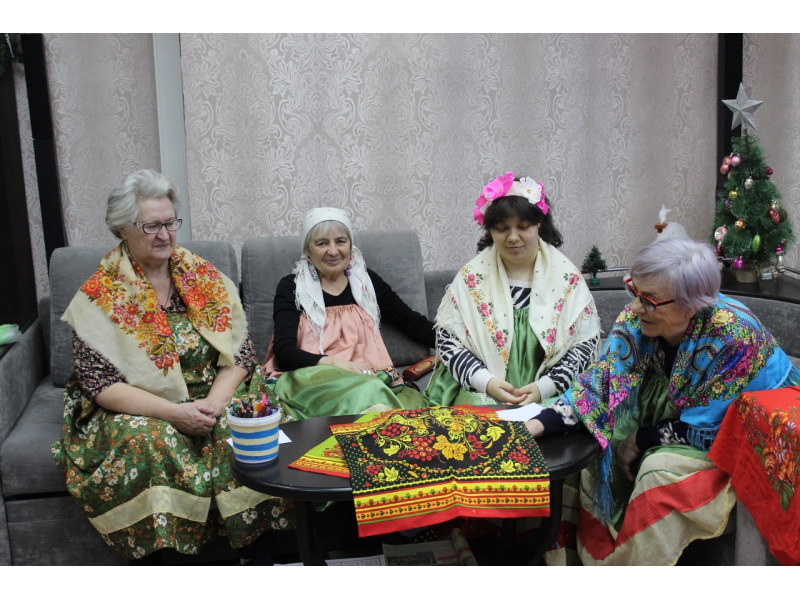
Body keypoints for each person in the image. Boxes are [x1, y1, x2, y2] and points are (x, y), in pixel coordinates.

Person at [51, 170, 292, 562]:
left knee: (245, 427)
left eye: (170, 223)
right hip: (143, 405)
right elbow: (102, 384)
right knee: (151, 441)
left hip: (213, 393)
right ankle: (175, 559)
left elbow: (240, 355)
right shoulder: (101, 294)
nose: (164, 235)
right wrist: (175, 413)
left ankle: (266, 553)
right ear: (122, 229)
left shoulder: (202, 276)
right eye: (152, 226)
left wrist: (213, 405)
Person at [528, 237, 800, 565]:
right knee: (595, 443)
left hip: (742, 430)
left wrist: (641, 439)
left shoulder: (733, 336)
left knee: (658, 474)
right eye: (635, 291)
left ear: (691, 305)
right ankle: (573, 561)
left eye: (649, 300)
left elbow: (708, 431)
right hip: (680, 414)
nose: (635, 307)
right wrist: (537, 424)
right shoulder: (639, 316)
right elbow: (601, 384)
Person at [424, 171, 601, 410]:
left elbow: (584, 345)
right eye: (501, 228)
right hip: (481, 390)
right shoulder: (471, 278)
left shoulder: (566, 278)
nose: (513, 237)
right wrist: (486, 382)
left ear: (539, 224)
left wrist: (544, 388)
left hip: (551, 391)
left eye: (523, 226)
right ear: (490, 230)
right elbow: (449, 343)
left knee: (557, 420)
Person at [261, 207, 436, 420]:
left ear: (350, 246)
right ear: (307, 250)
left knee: (384, 395)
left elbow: (411, 322)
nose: (333, 251)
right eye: (322, 243)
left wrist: (458, 341)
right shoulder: (293, 287)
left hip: (363, 379)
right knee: (370, 391)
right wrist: (336, 363)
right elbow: (284, 352)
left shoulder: (366, 283)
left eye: (341, 241)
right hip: (311, 379)